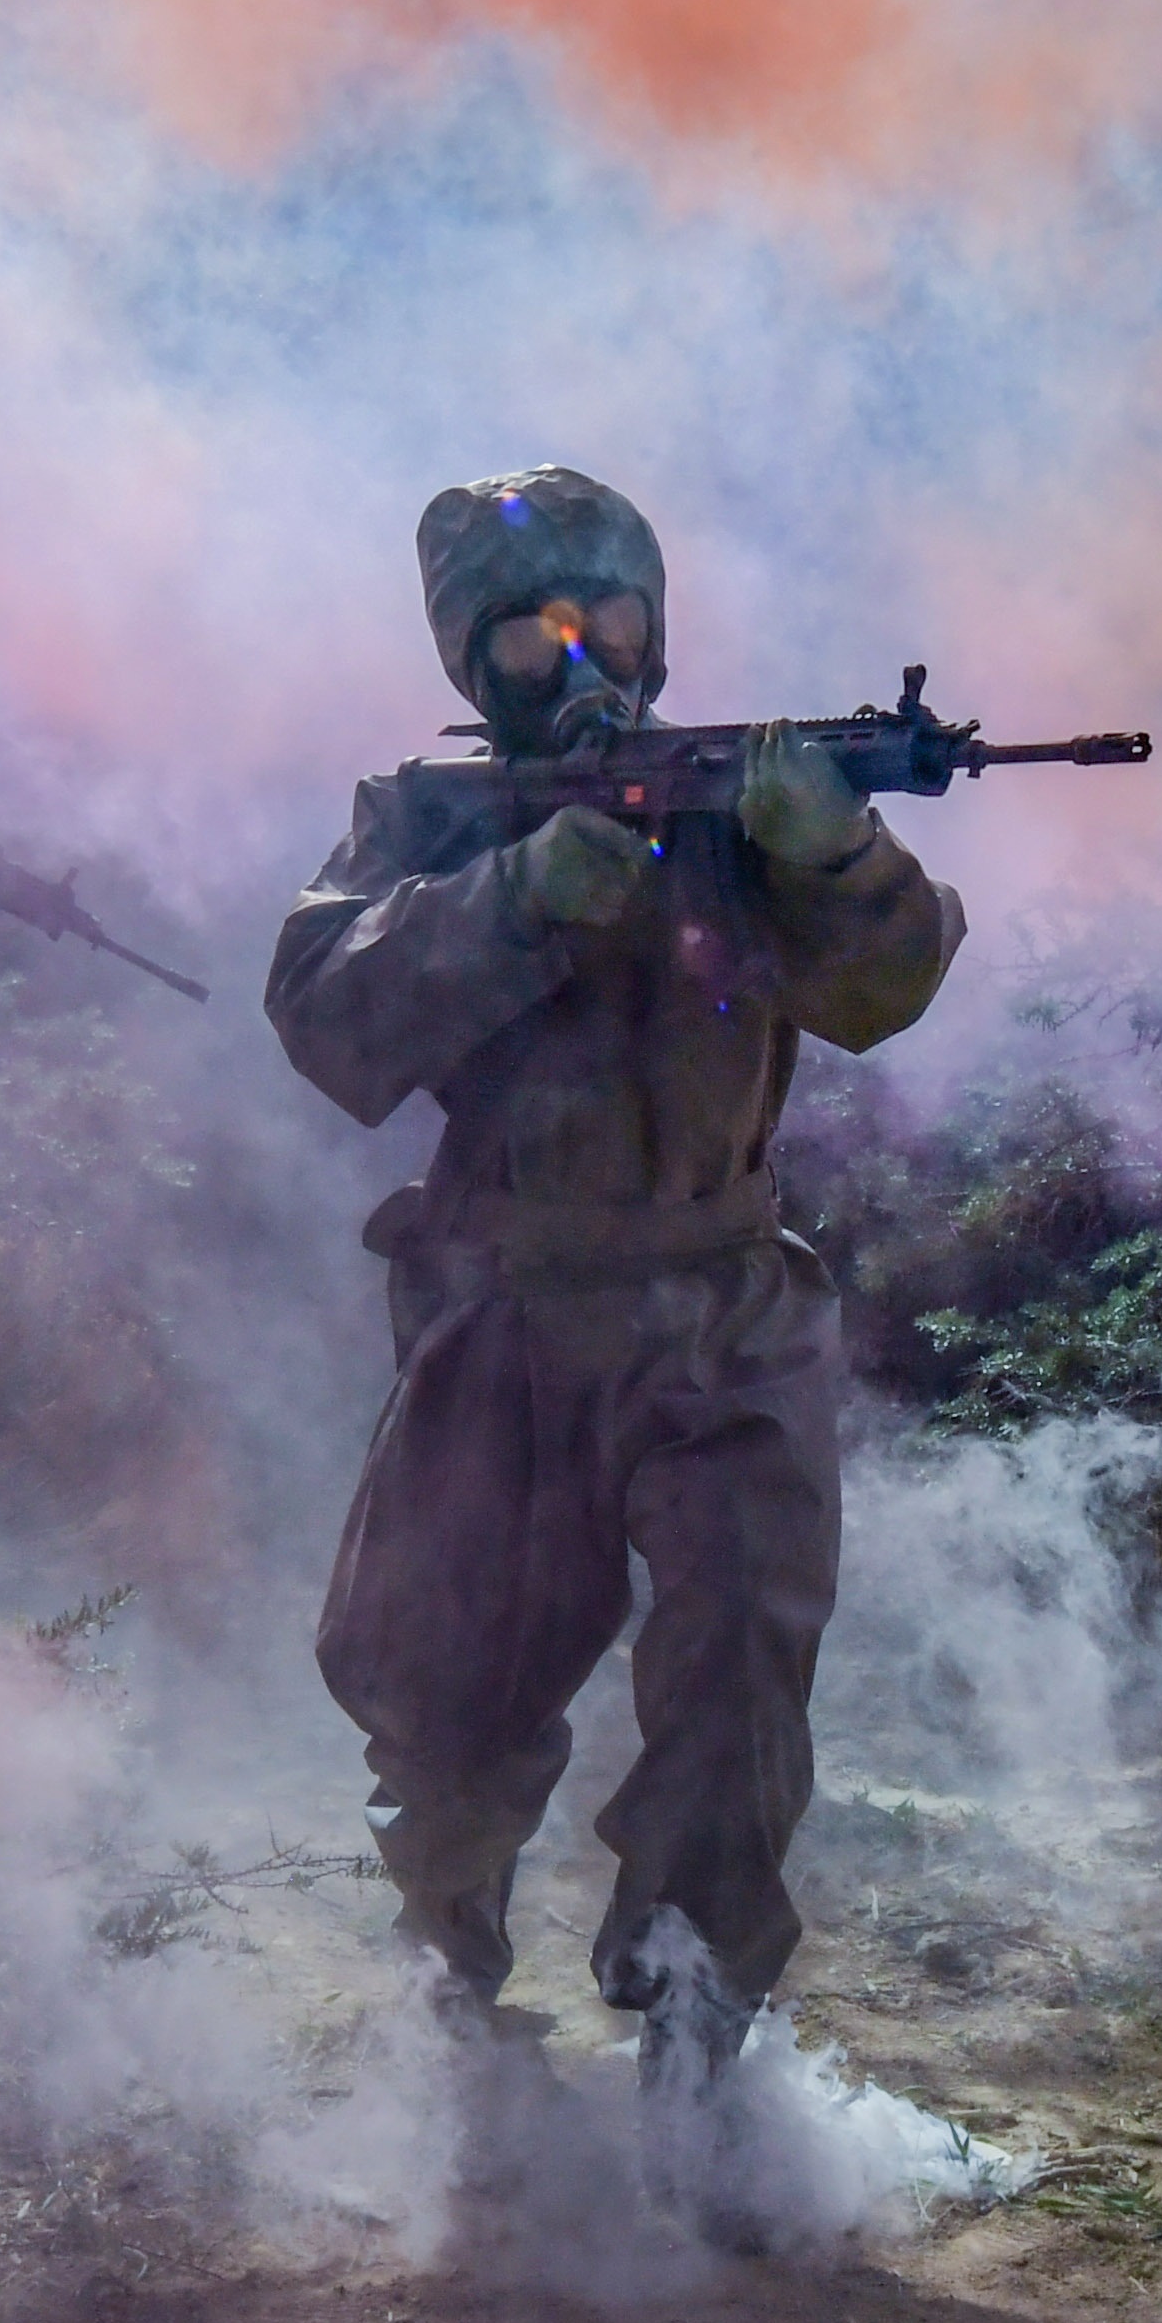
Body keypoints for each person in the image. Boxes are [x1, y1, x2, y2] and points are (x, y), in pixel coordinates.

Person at [266, 468, 963, 2161]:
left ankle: (700, 2045)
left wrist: (839, 849)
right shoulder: (422, 820)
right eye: (528, 626)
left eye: (609, 613)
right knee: (443, 1690)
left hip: (721, 1309)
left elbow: (884, 987)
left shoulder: (736, 802)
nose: (578, 652)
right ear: (466, 654)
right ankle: (451, 1985)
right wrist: (510, 897)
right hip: (502, 1312)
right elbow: (331, 1020)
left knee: (734, 1683)